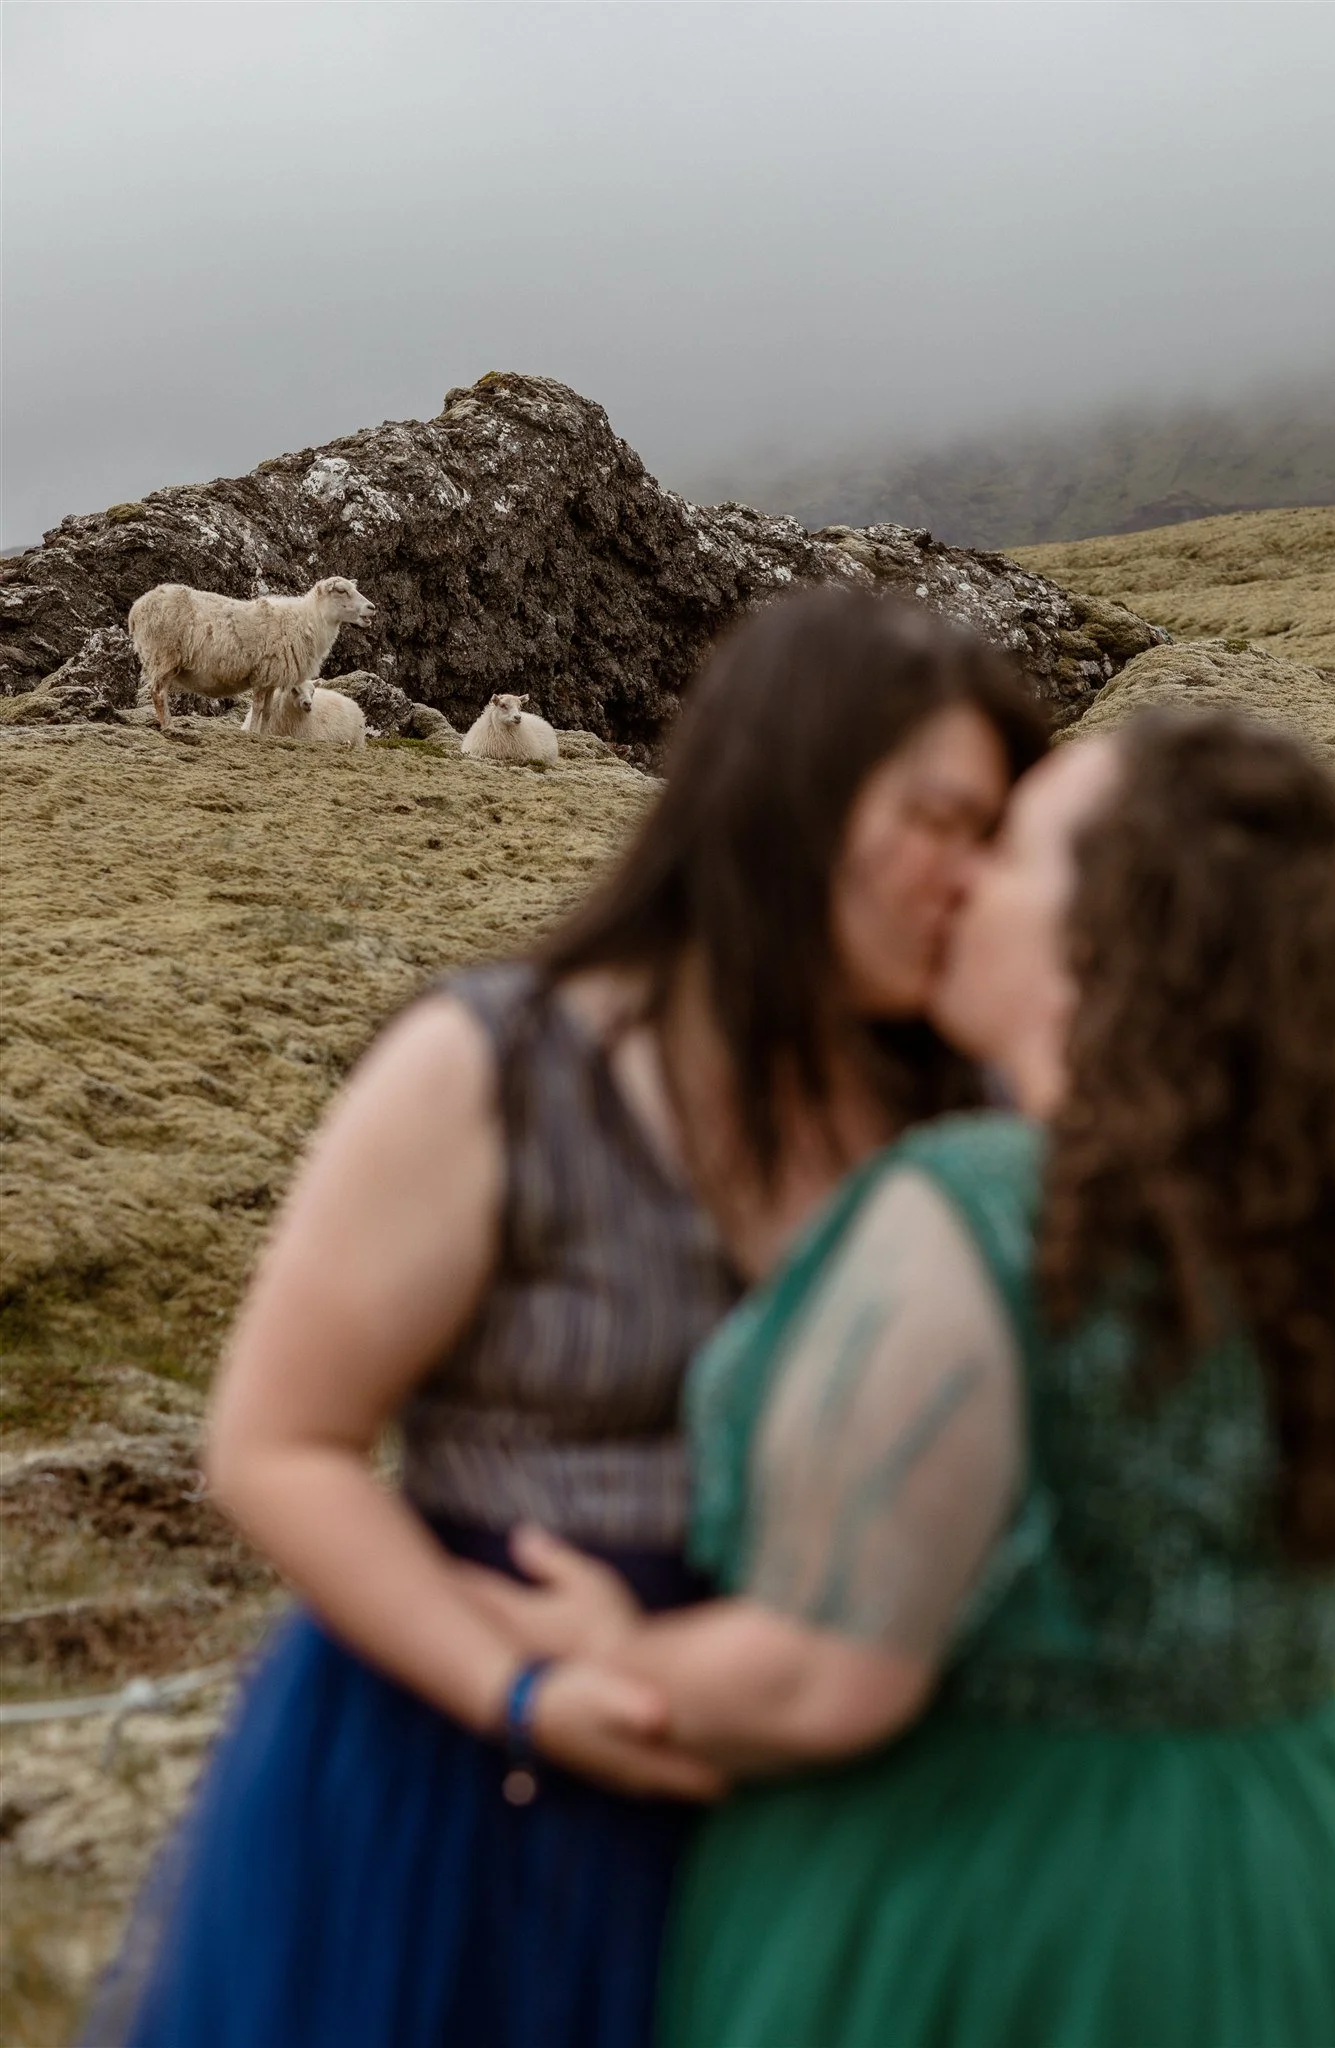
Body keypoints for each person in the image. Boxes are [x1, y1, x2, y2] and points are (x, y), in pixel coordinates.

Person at [84, 588, 1047, 2048]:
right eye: (939, 820)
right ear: (788, 793)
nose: (972, 878)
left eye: (1002, 835)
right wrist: (517, 1687)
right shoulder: (496, 1070)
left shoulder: (968, 1112)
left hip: (826, 1768)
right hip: (476, 1780)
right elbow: (279, 1442)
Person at [490, 708, 1335, 2048]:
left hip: (1002, 1908)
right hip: (1294, 1868)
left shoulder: (977, 1212)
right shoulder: (1314, 1207)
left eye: (1010, 848)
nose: (963, 879)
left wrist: (605, 1655)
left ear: (1096, 939)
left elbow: (833, 1678)